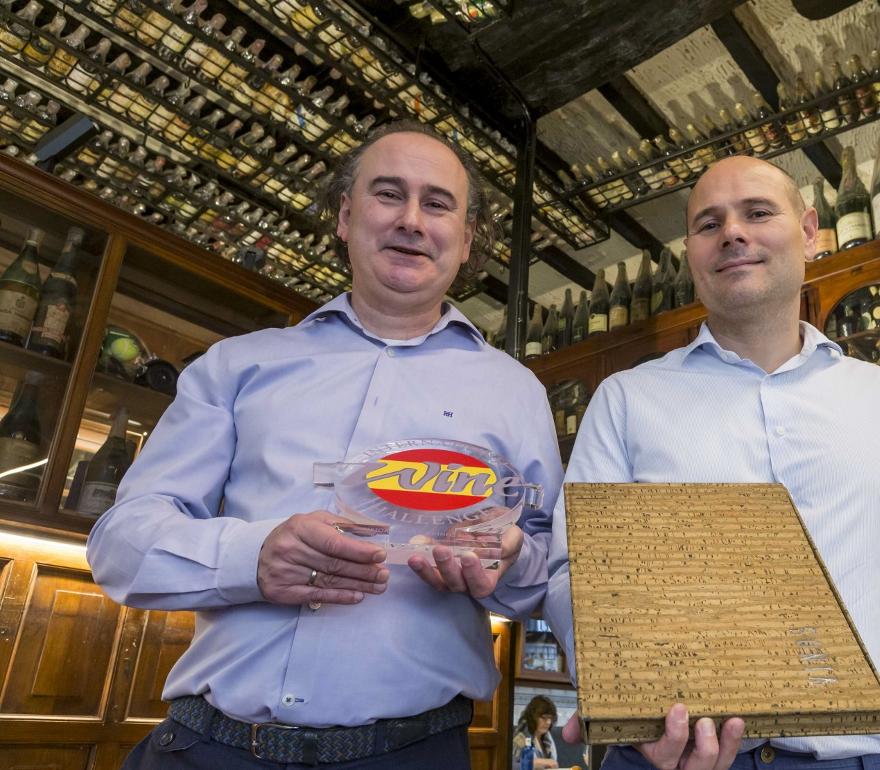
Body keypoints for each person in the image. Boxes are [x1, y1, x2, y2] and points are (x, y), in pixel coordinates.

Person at [87, 120, 562, 768]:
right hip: (206, 749)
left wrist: (506, 563)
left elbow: (542, 572)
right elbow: (120, 543)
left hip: (411, 755)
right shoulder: (237, 366)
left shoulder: (517, 392)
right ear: (345, 215)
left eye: (438, 203)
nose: (412, 220)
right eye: (388, 194)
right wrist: (252, 557)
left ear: (467, 236)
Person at [544, 155, 880, 770]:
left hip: (867, 758)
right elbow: (574, 573)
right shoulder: (626, 399)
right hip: (669, 757)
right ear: (693, 253)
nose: (732, 233)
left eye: (757, 213)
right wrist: (624, 700)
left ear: (808, 233)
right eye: (708, 223)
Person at [512, 695, 561, 769]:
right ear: (533, 717)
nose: (548, 722)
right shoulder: (521, 737)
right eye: (544, 718)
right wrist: (533, 763)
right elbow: (509, 765)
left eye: (550, 718)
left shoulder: (547, 737)